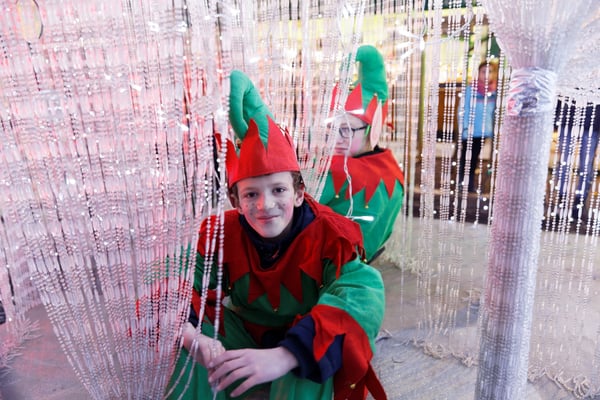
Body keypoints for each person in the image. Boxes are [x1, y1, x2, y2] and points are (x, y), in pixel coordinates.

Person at [166, 70, 387, 400]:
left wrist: (285, 356)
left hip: (300, 340)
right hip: (245, 335)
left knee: (312, 360)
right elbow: (172, 278)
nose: (265, 205)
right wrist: (191, 337)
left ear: (298, 194)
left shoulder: (329, 234)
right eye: (251, 194)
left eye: (278, 190)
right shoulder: (222, 232)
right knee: (187, 341)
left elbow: (363, 294)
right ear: (235, 201)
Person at [319, 45, 405, 263]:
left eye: (347, 130)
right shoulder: (390, 166)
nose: (337, 139)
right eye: (331, 130)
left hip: (334, 264)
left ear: (372, 130)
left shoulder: (340, 172)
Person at [555, 98, 600, 219]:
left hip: (591, 120)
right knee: (565, 163)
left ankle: (578, 203)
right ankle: (563, 201)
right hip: (570, 116)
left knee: (585, 165)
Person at [458, 60, 499, 193]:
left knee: (476, 159)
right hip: (470, 131)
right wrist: (464, 127)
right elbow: (463, 109)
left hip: (485, 131)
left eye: (489, 72)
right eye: (483, 72)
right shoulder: (471, 90)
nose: (486, 75)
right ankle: (465, 184)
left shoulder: (494, 92)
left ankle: (469, 184)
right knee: (468, 158)